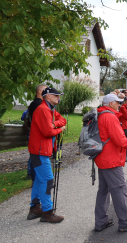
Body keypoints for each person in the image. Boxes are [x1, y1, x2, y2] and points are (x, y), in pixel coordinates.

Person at [94, 93, 127, 232]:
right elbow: (120, 141)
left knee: (104, 191)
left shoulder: (102, 114)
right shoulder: (110, 117)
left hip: (103, 158)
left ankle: (101, 221)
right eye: (117, 102)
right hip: (110, 160)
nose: (120, 104)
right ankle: (125, 222)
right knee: (119, 190)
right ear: (111, 104)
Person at [27, 87, 66, 223]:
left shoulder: (49, 109)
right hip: (39, 151)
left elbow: (63, 120)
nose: (58, 98)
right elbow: (47, 132)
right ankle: (47, 212)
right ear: (48, 96)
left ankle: (34, 208)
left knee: (40, 179)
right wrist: (59, 128)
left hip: (40, 150)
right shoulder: (43, 109)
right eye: (56, 95)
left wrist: (54, 124)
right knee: (48, 180)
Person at [26, 84, 48, 180]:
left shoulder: (35, 103)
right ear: (40, 92)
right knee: (36, 154)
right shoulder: (38, 104)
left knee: (35, 154)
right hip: (37, 134)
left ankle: (33, 174)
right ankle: (33, 174)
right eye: (46, 90)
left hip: (35, 132)